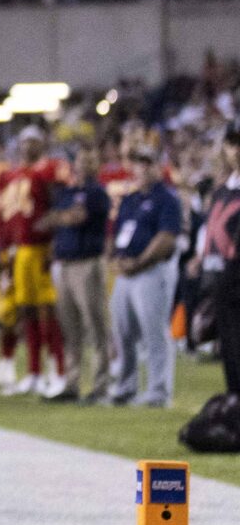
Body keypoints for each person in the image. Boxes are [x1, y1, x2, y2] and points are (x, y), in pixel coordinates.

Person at [106, 136, 186, 408]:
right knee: (123, 333)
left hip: (153, 271)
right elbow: (118, 235)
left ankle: (158, 390)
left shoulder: (167, 198)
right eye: (139, 163)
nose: (143, 168)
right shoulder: (129, 199)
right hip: (126, 273)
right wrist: (117, 260)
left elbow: (166, 238)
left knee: (154, 332)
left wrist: (138, 261)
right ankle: (126, 387)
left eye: (148, 163)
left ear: (157, 167)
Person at [0, 124, 67, 397]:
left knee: (50, 312)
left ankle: (57, 369)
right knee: (26, 312)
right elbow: (5, 218)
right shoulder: (9, 175)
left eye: (32, 141)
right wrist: (3, 252)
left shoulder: (49, 170)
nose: (27, 147)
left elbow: (58, 206)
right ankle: (34, 371)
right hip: (19, 252)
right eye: (23, 142)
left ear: (42, 143)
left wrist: (54, 244)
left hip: (42, 249)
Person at [44, 145, 114, 402]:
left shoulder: (97, 193)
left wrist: (59, 217)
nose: (84, 165)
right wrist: (62, 217)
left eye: (90, 160)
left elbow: (76, 218)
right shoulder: (68, 192)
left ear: (97, 165)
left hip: (88, 263)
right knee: (69, 328)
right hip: (66, 263)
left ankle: (101, 386)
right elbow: (47, 220)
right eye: (82, 160)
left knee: (95, 326)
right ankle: (72, 383)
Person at [192, 127, 240, 399]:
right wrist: (202, 258)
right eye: (233, 143)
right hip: (222, 277)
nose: (237, 150)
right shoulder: (223, 190)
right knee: (230, 348)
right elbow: (213, 229)